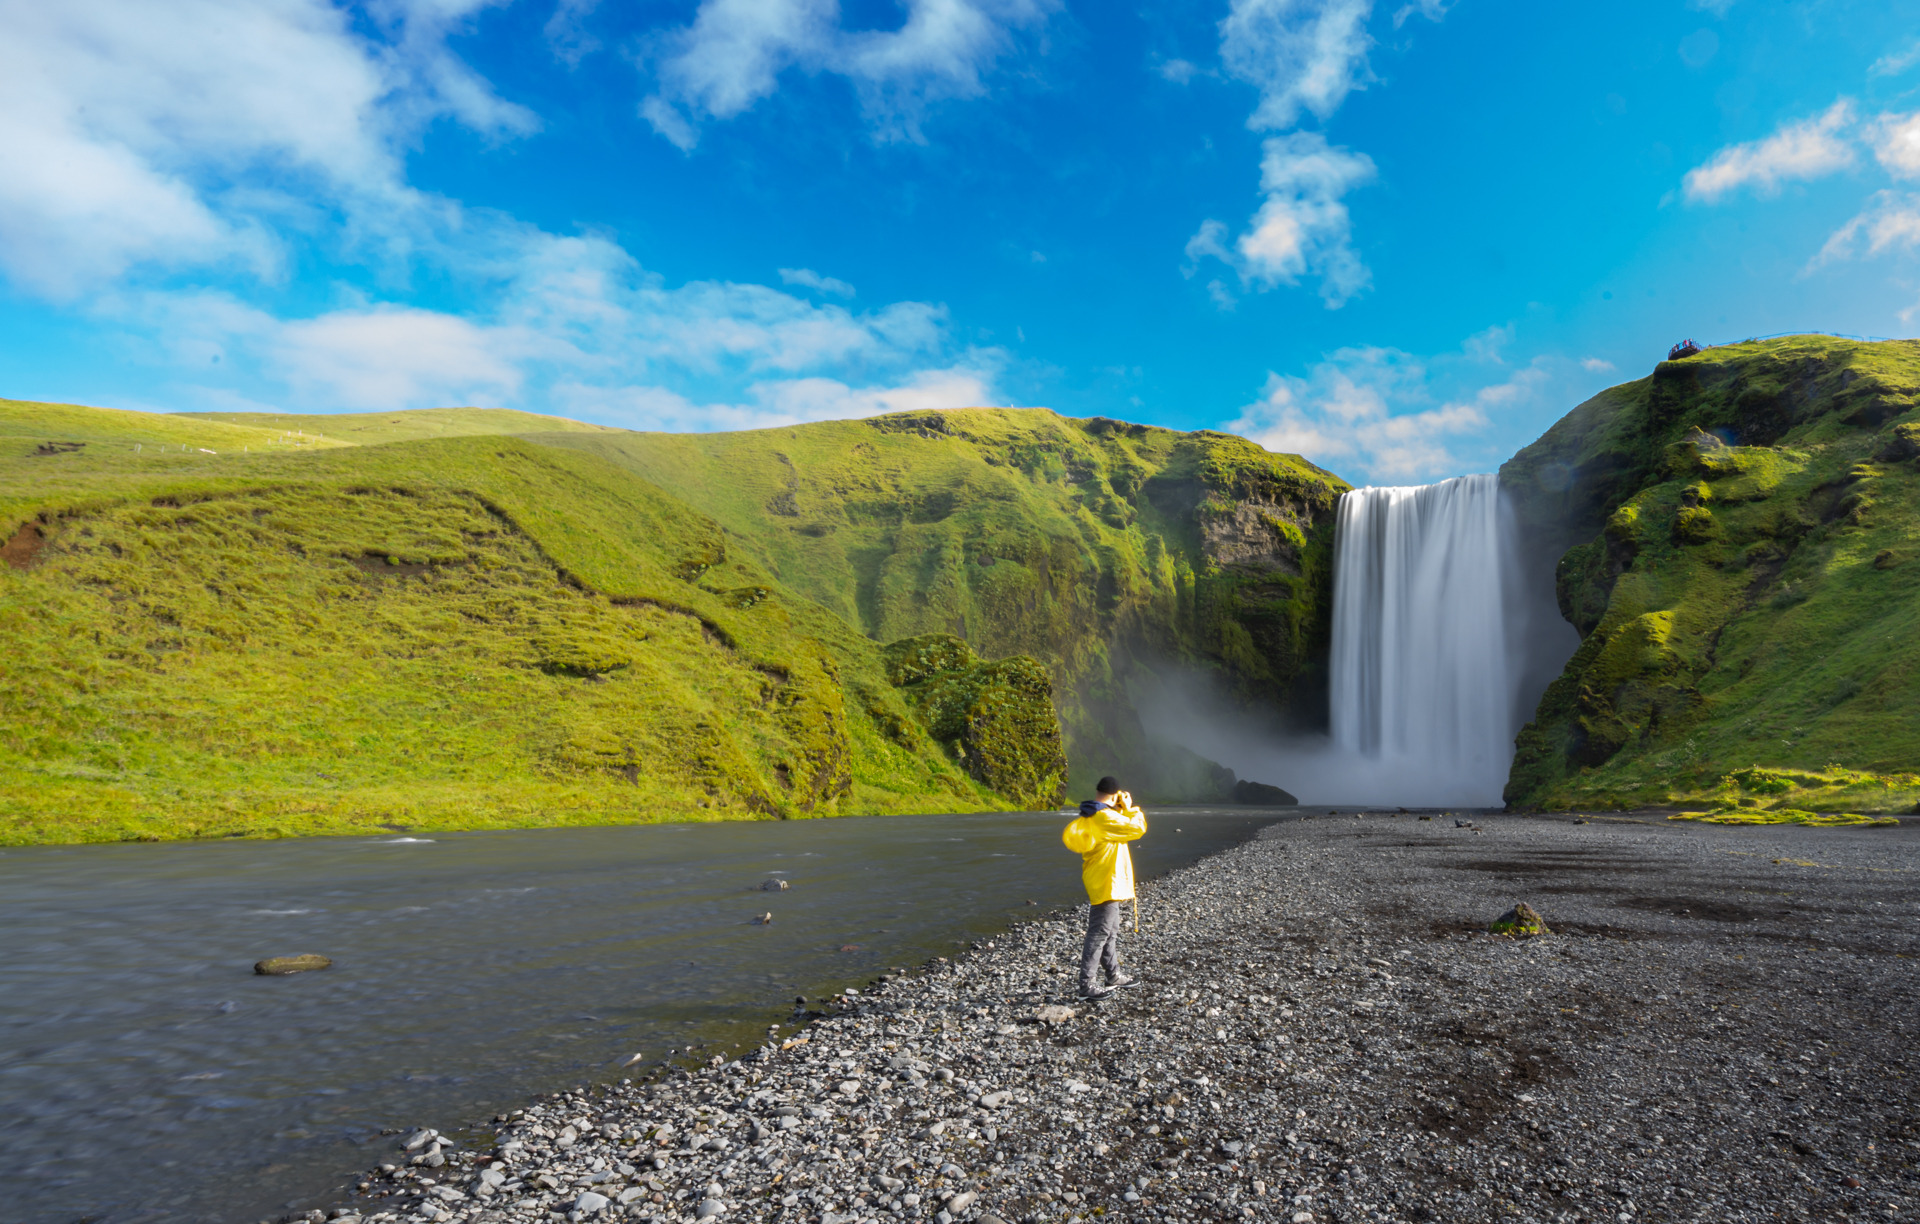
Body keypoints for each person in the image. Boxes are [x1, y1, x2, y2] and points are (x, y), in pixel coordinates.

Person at [1062, 776, 1147, 1000]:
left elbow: (1120, 827)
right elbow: (1138, 828)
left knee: (1110, 930)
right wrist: (1130, 808)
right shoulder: (1105, 817)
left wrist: (1119, 809)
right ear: (1115, 794)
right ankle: (1086, 985)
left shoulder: (1094, 813)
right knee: (1100, 932)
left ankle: (1113, 975)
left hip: (1103, 879)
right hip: (1107, 881)